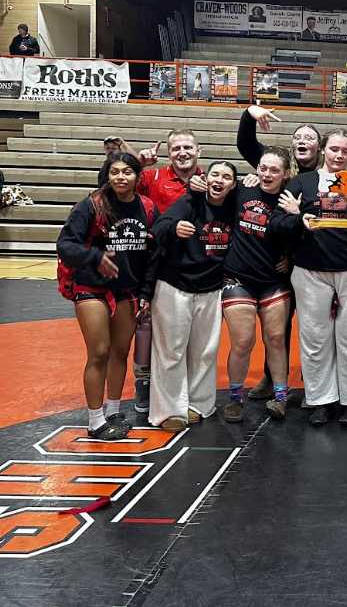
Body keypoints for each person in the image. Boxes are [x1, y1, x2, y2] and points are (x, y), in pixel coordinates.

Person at [270, 129, 347, 427]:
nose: (339, 155)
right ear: (323, 151)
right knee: (315, 338)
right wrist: (299, 218)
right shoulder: (300, 182)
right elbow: (277, 223)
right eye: (334, 149)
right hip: (310, 270)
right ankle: (321, 400)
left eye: (345, 150)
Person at [56, 153, 155, 440]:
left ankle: (113, 410)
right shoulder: (91, 205)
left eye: (127, 172)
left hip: (127, 289)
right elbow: (65, 245)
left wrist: (146, 292)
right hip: (91, 287)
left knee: (120, 352)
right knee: (99, 352)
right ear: (107, 175)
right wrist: (95, 256)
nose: (121, 177)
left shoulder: (147, 208)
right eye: (115, 172)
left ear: (138, 177)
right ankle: (95, 420)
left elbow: (153, 256)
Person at [235, 105, 321, 401]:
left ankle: (318, 384)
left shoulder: (327, 176)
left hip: (312, 264)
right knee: (277, 330)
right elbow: (246, 144)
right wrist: (250, 114)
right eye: (298, 136)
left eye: (310, 137)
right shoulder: (279, 170)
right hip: (277, 269)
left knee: (315, 329)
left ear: (319, 148)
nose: (302, 140)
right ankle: (271, 378)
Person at [146, 161, 237, 432]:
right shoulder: (190, 201)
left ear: (234, 184)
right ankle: (168, 410)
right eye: (215, 174)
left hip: (210, 288)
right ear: (205, 178)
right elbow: (159, 228)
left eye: (227, 177)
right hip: (175, 284)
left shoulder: (234, 207)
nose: (219, 180)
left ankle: (198, 404)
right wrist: (174, 229)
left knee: (205, 352)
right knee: (171, 351)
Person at [130, 129, 206, 414]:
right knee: (146, 323)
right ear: (169, 153)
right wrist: (138, 164)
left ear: (199, 151)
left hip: (196, 263)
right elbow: (114, 187)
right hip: (156, 262)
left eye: (188, 147)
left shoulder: (210, 179)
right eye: (176, 148)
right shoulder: (152, 178)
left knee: (188, 328)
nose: (182, 152)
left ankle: (184, 383)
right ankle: (144, 380)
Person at [218, 147, 294, 422]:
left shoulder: (290, 201)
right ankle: (236, 397)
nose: (267, 174)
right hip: (239, 277)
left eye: (274, 170)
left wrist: (291, 257)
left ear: (286, 174)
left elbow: (304, 235)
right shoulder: (243, 190)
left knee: (275, 339)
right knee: (242, 340)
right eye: (263, 168)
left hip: (273, 281)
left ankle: (281, 397)